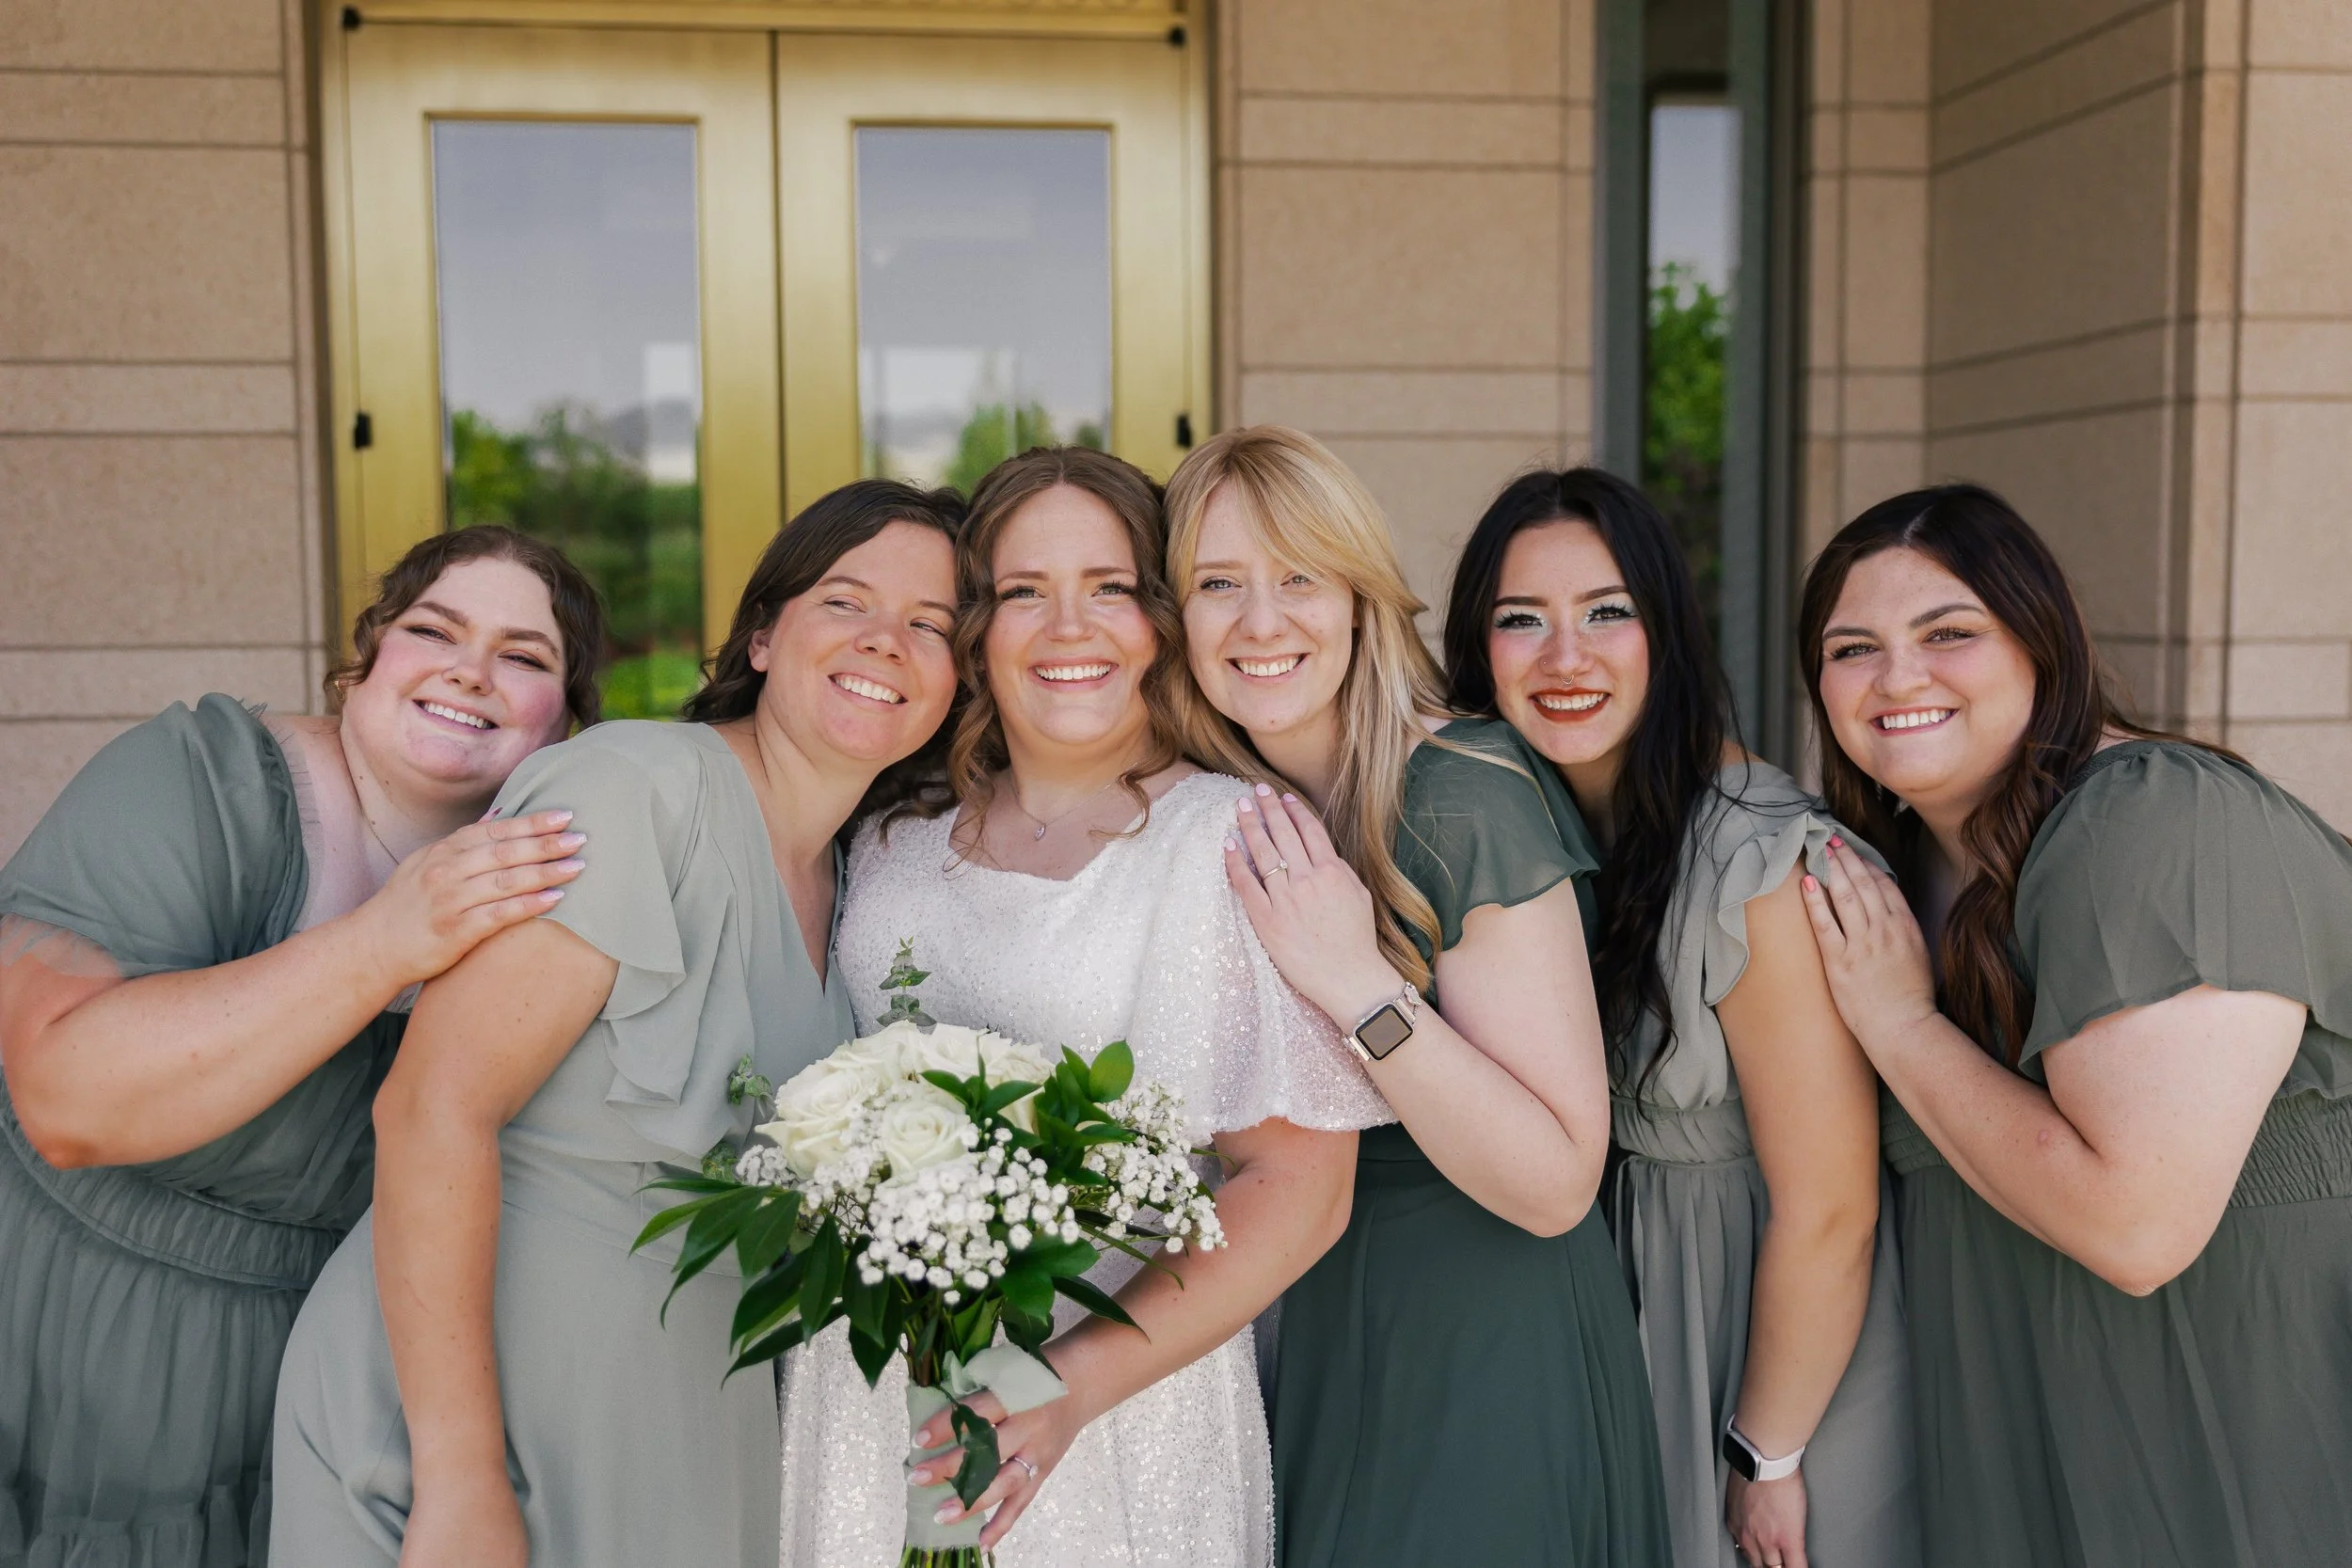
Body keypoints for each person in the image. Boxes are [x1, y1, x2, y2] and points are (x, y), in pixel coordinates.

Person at [269, 481, 965, 1568]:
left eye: (932, 625)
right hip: (477, 1415)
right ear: (764, 634)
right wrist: (461, 1478)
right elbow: (432, 1106)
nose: (888, 642)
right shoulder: (635, 788)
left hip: (691, 1418)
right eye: (848, 601)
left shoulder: (858, 880)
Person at [778, 445, 1386, 1568]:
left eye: (1108, 587)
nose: (1069, 626)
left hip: (1117, 1402)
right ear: (978, 627)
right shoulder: (891, 838)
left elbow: (1300, 1190)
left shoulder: (1232, 837)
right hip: (873, 1389)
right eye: (1022, 592)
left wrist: (1063, 1387)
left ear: (1157, 618)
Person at [0, 525, 602, 1566]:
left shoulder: (552, 885)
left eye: (524, 654)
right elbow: (65, 1100)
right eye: (434, 629)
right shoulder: (202, 779)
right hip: (73, 1339)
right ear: (363, 659)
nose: (471, 669)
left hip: (328, 1383)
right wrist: (383, 941)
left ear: (565, 727)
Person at [1795, 483, 2352, 1568]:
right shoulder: (1910, 871)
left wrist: (1900, 1023)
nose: (1897, 676)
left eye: (1948, 632)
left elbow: (2133, 1227)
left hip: (2232, 1446)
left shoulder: (2155, 819)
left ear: (2041, 642)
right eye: (1851, 647)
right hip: (2019, 1441)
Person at [1162, 427, 1671, 1568]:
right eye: (1216, 584)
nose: (1260, 621)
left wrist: (1357, 985)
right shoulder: (1215, 803)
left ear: (1359, 599)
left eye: (1299, 576)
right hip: (1315, 1312)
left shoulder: (1458, 793)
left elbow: (1554, 1179)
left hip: (1480, 1324)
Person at [1445, 467, 1919, 1568]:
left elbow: (1830, 1207)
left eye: (1608, 611)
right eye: (1524, 620)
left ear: (1667, 632)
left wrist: (1768, 1452)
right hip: (1619, 1317)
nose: (1567, 657)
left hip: (1761, 1343)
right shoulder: (1525, 830)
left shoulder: (1753, 852)